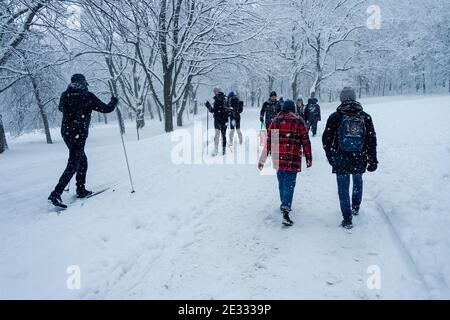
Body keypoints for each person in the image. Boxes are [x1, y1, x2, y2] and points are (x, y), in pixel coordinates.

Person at [48, 74, 118, 208]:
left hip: (67, 133)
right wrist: (113, 101)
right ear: (83, 82)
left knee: (82, 160)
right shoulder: (87, 96)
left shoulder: (65, 95)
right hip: (78, 134)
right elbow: (106, 109)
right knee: (74, 163)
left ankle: (80, 189)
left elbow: (61, 108)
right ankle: (56, 193)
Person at [322, 87, 378, 230]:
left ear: (341, 98)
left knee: (343, 188)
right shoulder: (365, 117)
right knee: (357, 181)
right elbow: (371, 140)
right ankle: (356, 206)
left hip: (341, 157)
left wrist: (331, 157)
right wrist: (372, 159)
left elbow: (326, 140)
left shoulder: (336, 116)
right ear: (354, 97)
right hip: (359, 157)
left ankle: (347, 218)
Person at [258, 100, 312, 227]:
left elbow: (269, 141)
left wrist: (262, 159)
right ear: (293, 108)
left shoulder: (276, 121)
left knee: (282, 182)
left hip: (278, 158)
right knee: (290, 183)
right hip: (292, 157)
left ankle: (284, 203)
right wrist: (308, 157)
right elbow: (305, 140)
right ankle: (286, 208)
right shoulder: (298, 121)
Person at [206, 87, 229, 156]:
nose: (214, 92)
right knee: (221, 135)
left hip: (220, 120)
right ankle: (222, 150)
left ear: (217, 91)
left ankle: (218, 151)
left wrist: (209, 106)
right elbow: (215, 110)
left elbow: (215, 111)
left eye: (215, 91)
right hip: (223, 120)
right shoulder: (224, 98)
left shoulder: (219, 99)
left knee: (218, 135)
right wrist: (209, 106)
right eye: (214, 91)